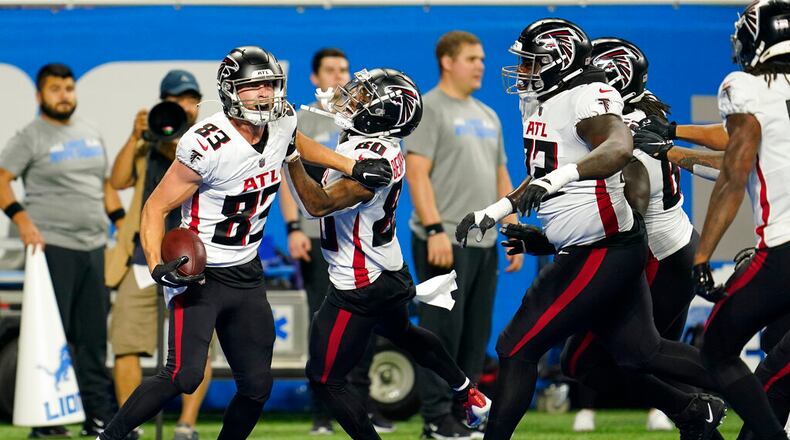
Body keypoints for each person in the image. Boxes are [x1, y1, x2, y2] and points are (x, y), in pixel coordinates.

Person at [97, 46, 395, 440]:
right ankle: (109, 436)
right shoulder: (206, 143)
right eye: (252, 85)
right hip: (200, 274)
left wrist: (350, 166)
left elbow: (297, 143)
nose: (263, 94)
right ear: (230, 90)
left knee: (257, 388)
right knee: (183, 375)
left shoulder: (283, 121)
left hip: (247, 272)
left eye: (269, 85)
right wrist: (156, 265)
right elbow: (154, 208)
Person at [456, 18, 726, 440]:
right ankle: (706, 407)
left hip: (641, 250)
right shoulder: (564, 104)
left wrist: (555, 220)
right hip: (625, 245)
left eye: (534, 62)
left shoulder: (601, 108)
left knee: (521, 347)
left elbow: (625, 189)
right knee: (622, 355)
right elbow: (552, 168)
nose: (524, 71)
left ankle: (747, 393)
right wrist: (503, 212)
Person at [285, 66, 491, 440]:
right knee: (404, 332)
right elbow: (322, 158)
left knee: (325, 379)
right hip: (389, 273)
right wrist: (287, 138)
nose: (353, 99)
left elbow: (317, 205)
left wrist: (289, 155)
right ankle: (467, 391)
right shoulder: (373, 146)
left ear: (382, 114)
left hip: (359, 282)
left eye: (364, 97)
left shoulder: (372, 161)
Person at [563, 37, 700, 433]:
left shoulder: (626, 123)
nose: (580, 82)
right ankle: (696, 412)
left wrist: (609, 262)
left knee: (588, 359)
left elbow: (635, 197)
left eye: (589, 73)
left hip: (653, 254)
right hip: (672, 249)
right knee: (651, 357)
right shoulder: (641, 106)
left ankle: (729, 390)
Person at [404, 30, 521, 439]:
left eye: (483, 59)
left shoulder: (488, 114)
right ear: (447, 62)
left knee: (475, 335)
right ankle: (436, 418)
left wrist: (512, 228)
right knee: (440, 335)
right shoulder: (430, 109)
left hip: (483, 243)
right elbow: (416, 174)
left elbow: (500, 175)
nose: (481, 66)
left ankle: (465, 415)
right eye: (473, 58)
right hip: (444, 242)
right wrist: (435, 229)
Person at [0, 63, 120, 438]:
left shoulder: (89, 131)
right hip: (53, 246)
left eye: (68, 88)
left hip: (94, 246)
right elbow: (2, 182)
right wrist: (23, 222)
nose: (64, 95)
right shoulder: (30, 137)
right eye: (56, 89)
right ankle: (46, 420)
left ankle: (99, 418)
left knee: (94, 339)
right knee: (53, 337)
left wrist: (122, 223)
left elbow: (103, 186)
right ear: (40, 96)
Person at [688, 1, 790, 439]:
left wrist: (703, 255)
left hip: (784, 247)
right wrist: (677, 141)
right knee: (778, 359)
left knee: (716, 348)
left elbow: (735, 170)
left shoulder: (746, 86)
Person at [278, 48, 393, 435]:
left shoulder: (366, 116)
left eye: (344, 69)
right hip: (318, 232)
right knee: (322, 323)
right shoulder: (304, 118)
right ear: (314, 77)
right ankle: (323, 412)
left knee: (365, 326)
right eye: (331, 70)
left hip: (359, 237)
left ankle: (363, 405)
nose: (339, 76)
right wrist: (293, 229)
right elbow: (287, 173)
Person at [107, 69, 211, 440]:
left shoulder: (209, 142)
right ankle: (128, 427)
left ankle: (186, 426)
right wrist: (136, 136)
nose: (181, 105)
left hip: (192, 259)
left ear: (196, 104)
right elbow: (117, 181)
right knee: (126, 342)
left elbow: (183, 160)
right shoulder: (148, 140)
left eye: (188, 98)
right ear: (162, 102)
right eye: (174, 99)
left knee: (195, 349)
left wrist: (170, 136)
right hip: (141, 257)